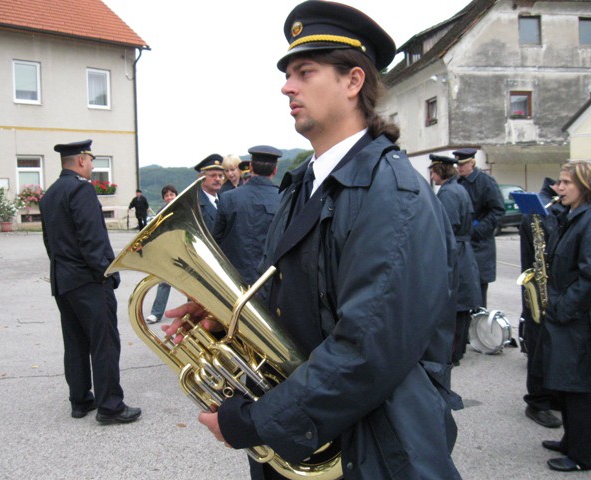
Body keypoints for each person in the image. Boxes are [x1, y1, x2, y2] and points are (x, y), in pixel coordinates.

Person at [165, 2, 462, 478]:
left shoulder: (395, 193)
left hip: (372, 448)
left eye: (305, 71)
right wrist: (230, 318)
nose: (286, 86)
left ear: (353, 81)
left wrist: (259, 420)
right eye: (288, 73)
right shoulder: (302, 181)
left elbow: (366, 349)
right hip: (305, 437)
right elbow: (292, 292)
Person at [39, 139, 141, 424]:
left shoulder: (50, 194)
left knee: (75, 342)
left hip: (63, 280)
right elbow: (92, 239)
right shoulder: (81, 189)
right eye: (92, 160)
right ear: (82, 160)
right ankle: (110, 406)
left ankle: (80, 400)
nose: (93, 166)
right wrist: (107, 274)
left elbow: (49, 242)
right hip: (89, 280)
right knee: (104, 342)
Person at [534, 160, 591, 472]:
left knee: (578, 387)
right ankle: (571, 440)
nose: (559, 187)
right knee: (566, 384)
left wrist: (562, 308)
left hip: (576, 317)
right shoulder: (570, 216)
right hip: (564, 314)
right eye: (559, 182)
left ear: (584, 186)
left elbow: (588, 277)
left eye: (567, 182)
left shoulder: (588, 221)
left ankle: (582, 455)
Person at [520, 177, 564, 428]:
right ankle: (537, 401)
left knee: (551, 348)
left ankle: (551, 395)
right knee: (539, 348)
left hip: (551, 288)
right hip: (539, 289)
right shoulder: (543, 212)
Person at [429, 154, 481, 366]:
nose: (431, 176)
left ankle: (452, 353)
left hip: (456, 250)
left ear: (441, 171)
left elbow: (447, 227)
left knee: (456, 303)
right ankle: (456, 351)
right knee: (460, 303)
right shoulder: (457, 188)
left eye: (433, 171)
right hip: (461, 249)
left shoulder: (449, 192)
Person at [212, 145, 282, 286]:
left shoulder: (227, 198)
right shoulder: (285, 198)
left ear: (250, 167)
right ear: (275, 170)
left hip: (234, 280)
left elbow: (215, 239)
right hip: (271, 282)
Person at [455, 148, 505, 308]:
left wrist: (477, 231)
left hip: (480, 247)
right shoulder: (458, 182)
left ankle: (478, 330)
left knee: (478, 298)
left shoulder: (485, 182)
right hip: (464, 246)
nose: (459, 168)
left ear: (472, 163)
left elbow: (498, 210)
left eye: (463, 164)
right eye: (458, 164)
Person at [145, 185, 178, 324]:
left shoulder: (183, 209)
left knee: (192, 285)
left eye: (172, 194)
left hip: (183, 250)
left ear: (176, 195)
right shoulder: (160, 213)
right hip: (168, 251)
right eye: (167, 195)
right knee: (164, 283)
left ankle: (194, 313)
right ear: (164, 198)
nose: (170, 197)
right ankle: (156, 313)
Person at [194, 153, 224, 231]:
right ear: (201, 177)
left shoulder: (225, 200)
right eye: (213, 175)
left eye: (220, 176)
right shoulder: (195, 205)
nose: (217, 179)